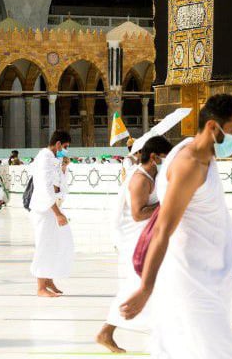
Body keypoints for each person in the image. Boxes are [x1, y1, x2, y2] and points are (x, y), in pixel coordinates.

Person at [120, 94, 232, 359]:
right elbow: (162, 229)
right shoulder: (189, 164)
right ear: (213, 127)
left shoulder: (200, 153)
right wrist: (145, 288)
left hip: (207, 278)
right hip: (192, 283)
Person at [97, 136, 173, 354]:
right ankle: (106, 331)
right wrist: (165, 207)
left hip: (149, 235)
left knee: (156, 285)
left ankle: (161, 335)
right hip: (136, 239)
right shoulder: (140, 179)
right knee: (137, 286)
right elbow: (139, 214)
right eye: (164, 158)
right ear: (153, 157)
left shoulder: (154, 174)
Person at [29, 130, 74, 297]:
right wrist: (57, 213)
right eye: (65, 147)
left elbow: (60, 185)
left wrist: (63, 167)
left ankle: (48, 280)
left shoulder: (54, 159)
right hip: (44, 210)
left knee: (55, 244)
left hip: (53, 208)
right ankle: (40, 287)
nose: (66, 150)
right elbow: (45, 188)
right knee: (44, 245)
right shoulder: (44, 159)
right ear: (57, 144)